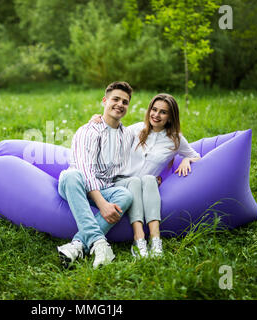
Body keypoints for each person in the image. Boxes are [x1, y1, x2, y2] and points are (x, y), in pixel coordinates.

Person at [90, 93, 201, 258]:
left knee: (149, 179)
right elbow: (109, 134)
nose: (156, 115)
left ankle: (156, 240)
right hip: (120, 182)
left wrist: (187, 160)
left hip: (147, 185)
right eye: (154, 110)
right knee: (135, 181)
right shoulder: (136, 129)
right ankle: (139, 238)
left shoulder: (176, 140)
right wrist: (97, 118)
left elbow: (197, 156)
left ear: (170, 117)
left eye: (163, 112)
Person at [57, 81, 135, 268]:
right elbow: (85, 170)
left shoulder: (127, 135)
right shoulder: (88, 131)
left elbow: (154, 130)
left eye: (125, 102)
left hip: (105, 187)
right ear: (104, 101)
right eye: (115, 99)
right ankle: (100, 244)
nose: (120, 104)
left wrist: (187, 157)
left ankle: (77, 245)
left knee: (125, 195)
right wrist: (103, 204)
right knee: (72, 175)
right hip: (76, 186)